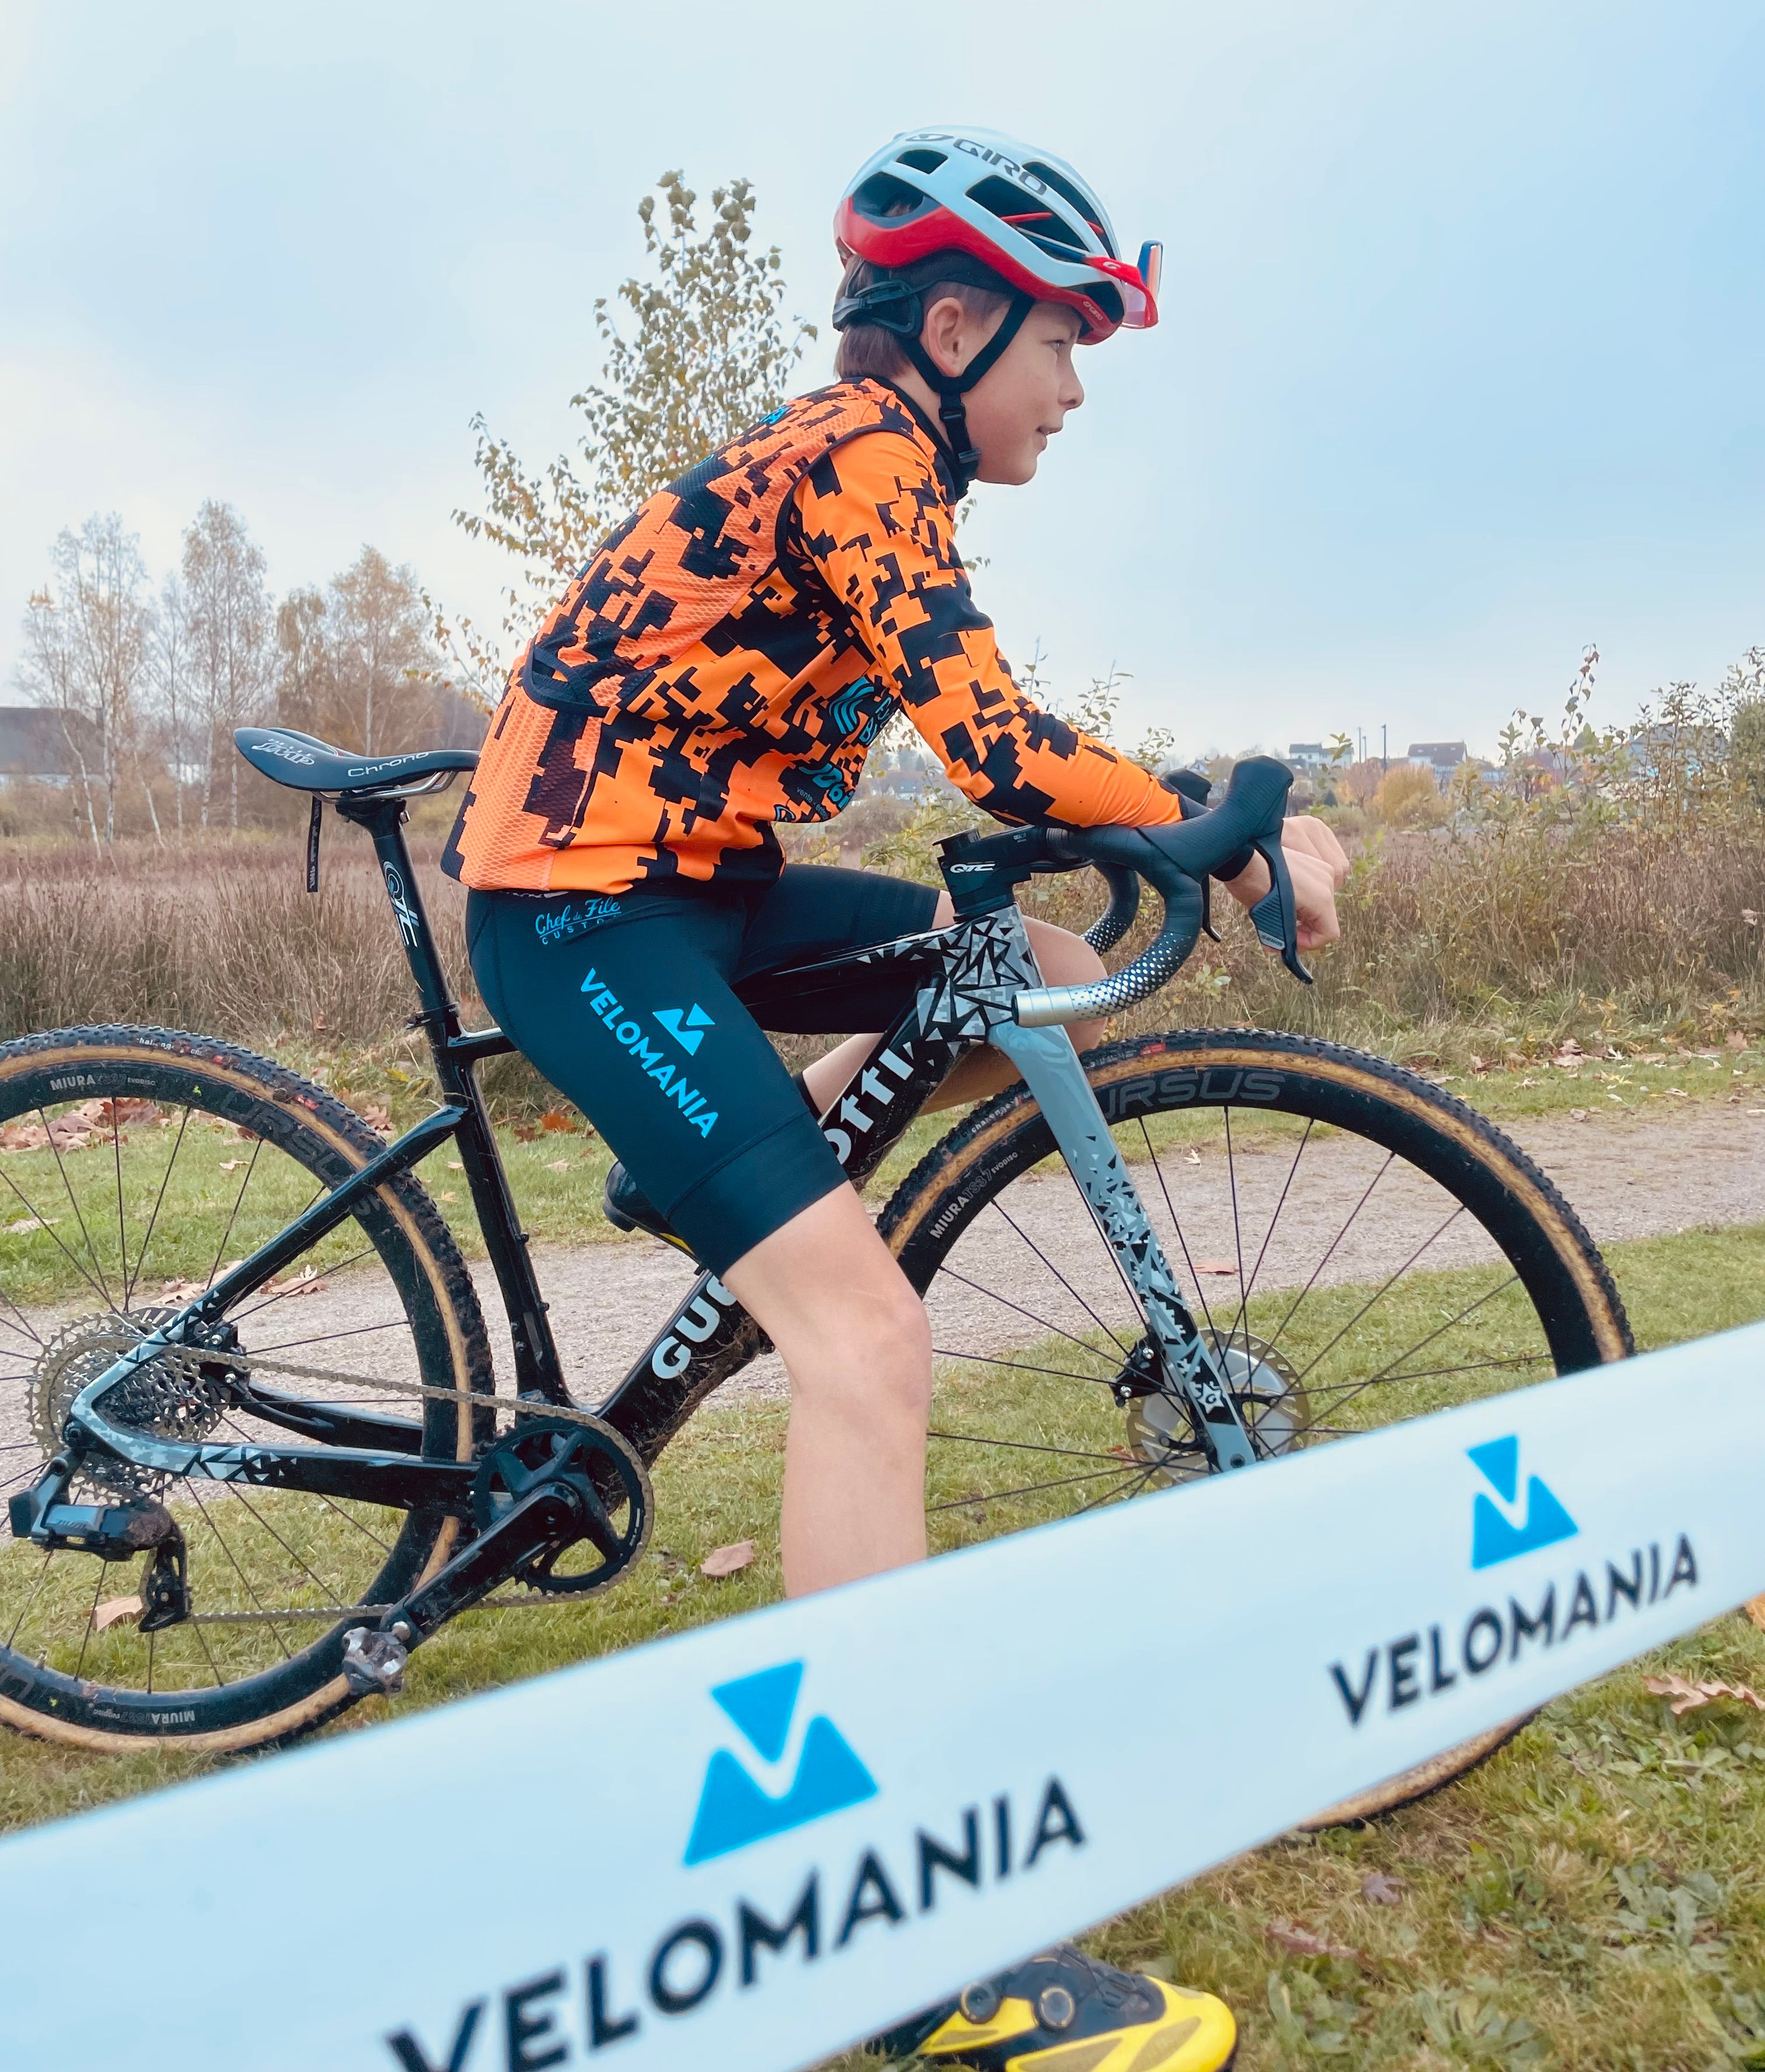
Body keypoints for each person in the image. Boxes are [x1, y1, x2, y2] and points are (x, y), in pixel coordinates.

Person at [443, 125, 1348, 2072]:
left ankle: (731, 1157)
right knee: (865, 1342)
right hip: (586, 911)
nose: (1078, 385)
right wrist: (1218, 820)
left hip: (690, 883)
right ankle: (898, 1947)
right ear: (953, 328)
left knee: (1003, 959)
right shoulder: (863, 454)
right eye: (1063, 340)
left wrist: (1159, 826)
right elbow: (998, 742)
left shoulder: (887, 469)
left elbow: (987, 748)